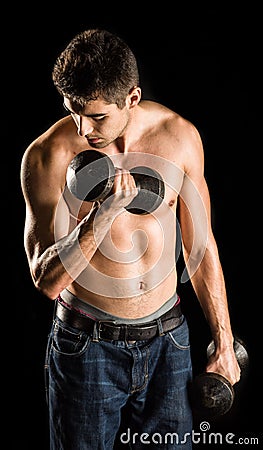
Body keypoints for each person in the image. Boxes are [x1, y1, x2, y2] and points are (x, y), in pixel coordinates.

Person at [20, 28, 241, 450]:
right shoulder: (47, 156)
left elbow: (201, 246)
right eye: (73, 111)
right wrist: (102, 214)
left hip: (169, 345)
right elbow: (46, 281)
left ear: (132, 98)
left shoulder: (179, 137)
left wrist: (224, 341)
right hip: (87, 347)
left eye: (98, 116)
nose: (84, 128)